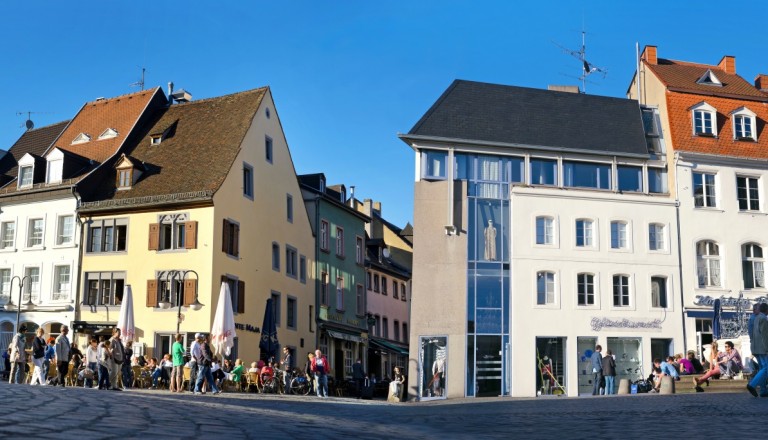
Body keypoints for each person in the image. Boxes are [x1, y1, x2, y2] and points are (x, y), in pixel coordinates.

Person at [747, 303, 768, 397]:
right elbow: (765, 336)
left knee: (762, 368)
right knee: (766, 368)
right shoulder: (763, 318)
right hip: (762, 348)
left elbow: (752, 333)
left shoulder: (755, 318)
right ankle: (752, 384)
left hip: (755, 347)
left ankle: (763, 390)